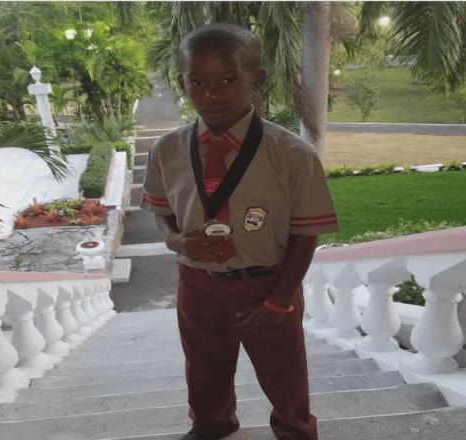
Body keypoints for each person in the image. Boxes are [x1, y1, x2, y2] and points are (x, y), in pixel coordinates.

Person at [141, 23, 339, 440]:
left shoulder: (291, 154)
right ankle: (213, 425)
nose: (212, 93)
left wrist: (279, 302)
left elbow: (305, 235)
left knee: (284, 371)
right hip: (197, 282)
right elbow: (161, 210)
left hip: (268, 283)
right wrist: (176, 239)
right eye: (198, 82)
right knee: (203, 365)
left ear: (256, 79)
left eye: (228, 80)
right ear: (182, 83)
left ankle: (295, 430)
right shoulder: (167, 150)